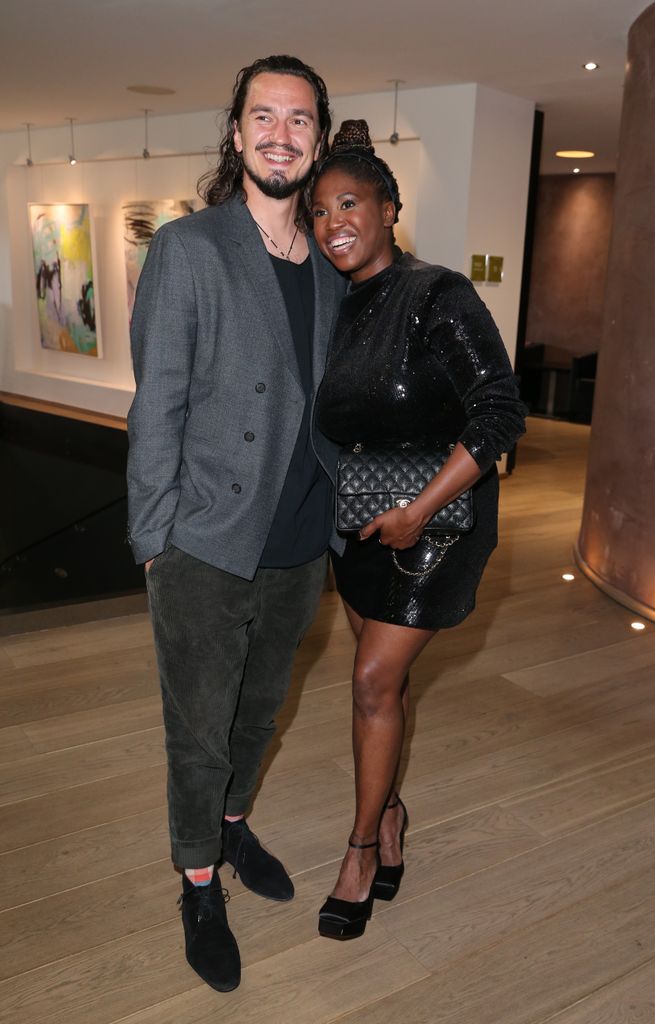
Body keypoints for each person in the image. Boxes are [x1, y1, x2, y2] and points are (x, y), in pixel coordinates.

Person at [126, 56, 346, 991]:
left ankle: (232, 824)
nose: (281, 134)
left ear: (320, 140)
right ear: (236, 133)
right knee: (199, 733)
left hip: (300, 544)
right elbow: (156, 405)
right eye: (264, 115)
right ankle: (199, 882)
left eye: (299, 119)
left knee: (260, 716)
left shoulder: (337, 269)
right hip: (205, 545)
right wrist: (155, 543)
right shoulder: (192, 249)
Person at [310, 120, 527, 940]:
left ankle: (362, 849)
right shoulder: (335, 308)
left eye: (351, 203)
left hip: (435, 522)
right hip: (362, 524)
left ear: (389, 208)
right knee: (382, 688)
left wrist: (420, 509)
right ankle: (392, 811)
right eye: (321, 209)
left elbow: (501, 411)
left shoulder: (436, 293)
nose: (335, 221)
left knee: (370, 681)